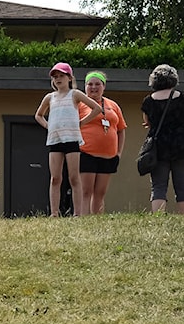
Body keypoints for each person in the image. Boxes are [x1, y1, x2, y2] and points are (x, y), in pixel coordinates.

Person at [34, 62, 103, 217]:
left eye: (61, 76)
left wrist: (81, 123)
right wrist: (48, 126)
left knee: (74, 177)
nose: (58, 79)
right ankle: (54, 212)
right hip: (55, 140)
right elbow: (38, 115)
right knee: (55, 178)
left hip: (71, 139)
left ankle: (77, 213)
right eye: (55, 77)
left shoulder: (75, 94)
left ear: (69, 78)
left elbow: (96, 108)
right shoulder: (49, 97)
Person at [78, 71, 126, 215]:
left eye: (97, 84)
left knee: (100, 193)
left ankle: (97, 221)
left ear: (103, 86)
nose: (94, 87)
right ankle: (84, 221)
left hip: (108, 156)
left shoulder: (113, 105)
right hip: (86, 153)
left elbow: (121, 130)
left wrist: (118, 153)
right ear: (85, 87)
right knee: (86, 191)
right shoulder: (79, 104)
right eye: (90, 84)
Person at [141, 64, 184, 213]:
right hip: (181, 146)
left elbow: (147, 122)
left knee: (158, 186)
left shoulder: (148, 101)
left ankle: (158, 217)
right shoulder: (183, 98)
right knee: (182, 185)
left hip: (158, 147)